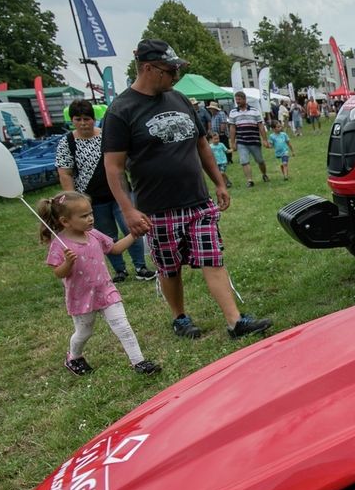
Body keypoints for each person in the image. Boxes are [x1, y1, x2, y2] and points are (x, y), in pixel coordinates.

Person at [102, 38, 271, 340]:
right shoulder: (121, 110)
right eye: (170, 70)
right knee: (170, 268)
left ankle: (235, 322)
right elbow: (113, 167)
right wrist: (128, 209)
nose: (176, 75)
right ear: (149, 68)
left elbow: (202, 144)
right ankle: (179, 317)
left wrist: (218, 182)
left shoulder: (179, 99)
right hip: (156, 207)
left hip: (197, 200)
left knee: (212, 257)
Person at [37, 191, 161, 375]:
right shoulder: (60, 244)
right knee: (84, 333)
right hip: (81, 297)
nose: (90, 219)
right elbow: (58, 272)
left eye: (91, 213)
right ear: (65, 221)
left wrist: (134, 235)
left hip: (106, 290)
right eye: (84, 216)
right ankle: (74, 357)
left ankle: (139, 362)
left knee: (123, 326)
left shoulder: (93, 234)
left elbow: (115, 248)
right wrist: (68, 263)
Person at [56, 99, 155, 283]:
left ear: (94, 119)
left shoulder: (107, 137)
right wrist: (72, 200)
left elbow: (125, 161)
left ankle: (141, 266)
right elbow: (65, 173)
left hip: (119, 194)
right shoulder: (67, 143)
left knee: (131, 228)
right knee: (106, 235)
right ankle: (119, 270)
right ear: (72, 120)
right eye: (78, 119)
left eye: (87, 118)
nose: (83, 123)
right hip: (92, 200)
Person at [228, 90, 270, 188]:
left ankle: (264, 174)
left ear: (244, 99)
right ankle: (250, 180)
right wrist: (232, 142)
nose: (237, 101)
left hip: (254, 140)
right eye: (236, 100)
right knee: (244, 161)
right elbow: (232, 128)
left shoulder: (254, 111)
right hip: (242, 141)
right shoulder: (233, 112)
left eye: (239, 99)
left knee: (260, 160)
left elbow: (260, 126)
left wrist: (264, 139)